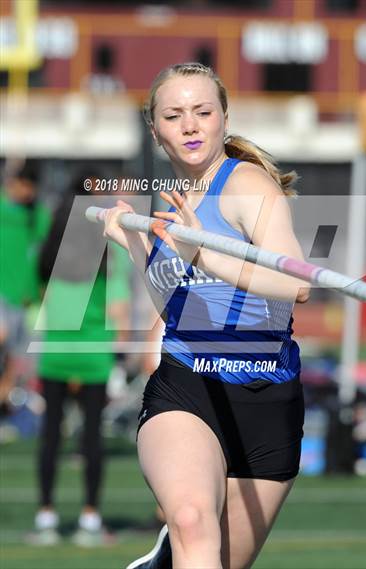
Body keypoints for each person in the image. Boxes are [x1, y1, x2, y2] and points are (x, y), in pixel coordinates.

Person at [103, 62, 310, 569]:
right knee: (195, 525)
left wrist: (206, 255)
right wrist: (134, 245)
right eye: (174, 116)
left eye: (202, 111)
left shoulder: (247, 186)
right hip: (187, 386)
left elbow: (295, 284)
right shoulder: (173, 200)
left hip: (267, 398)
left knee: (210, 559)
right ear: (156, 130)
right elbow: (179, 310)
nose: (190, 125)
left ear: (223, 118)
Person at [32, 173, 131, 546]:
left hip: (56, 348)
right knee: (91, 437)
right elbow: (118, 303)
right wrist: (122, 351)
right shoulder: (106, 243)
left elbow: (37, 289)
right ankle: (90, 518)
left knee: (50, 436)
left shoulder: (52, 240)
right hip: (93, 350)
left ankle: (46, 517)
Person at [0, 160, 51, 406]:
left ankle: (5, 399)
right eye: (24, 185)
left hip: (26, 297)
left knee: (16, 355)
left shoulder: (37, 215)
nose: (27, 192)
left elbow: (44, 253)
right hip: (2, 292)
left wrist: (41, 287)